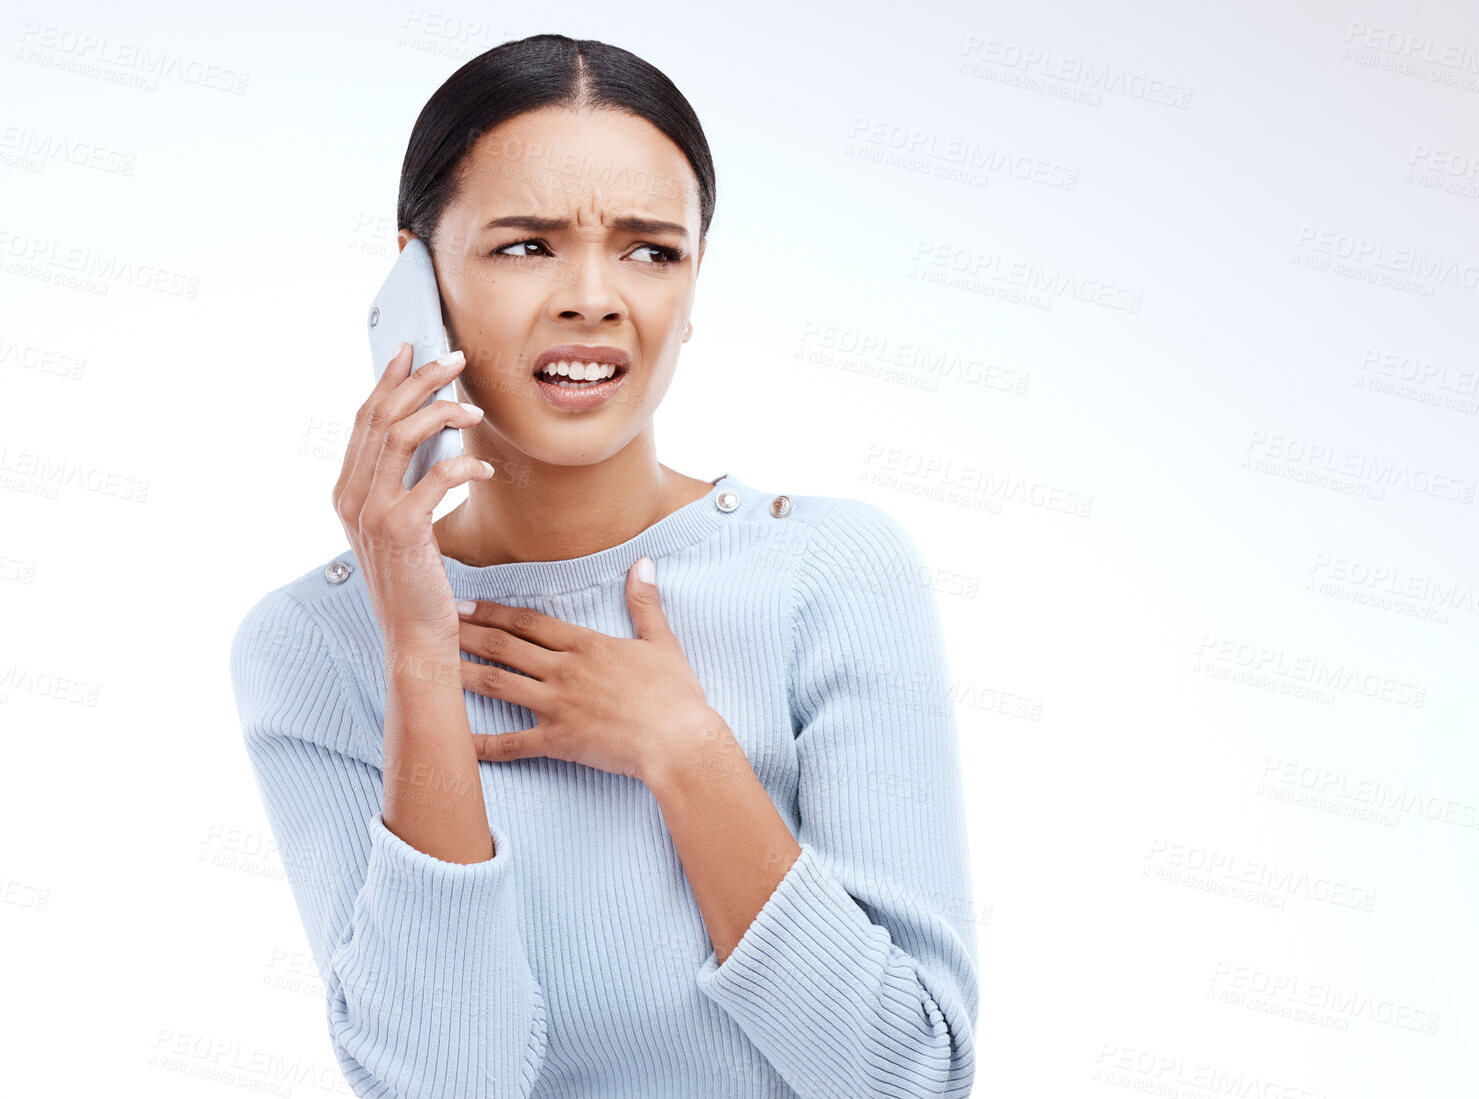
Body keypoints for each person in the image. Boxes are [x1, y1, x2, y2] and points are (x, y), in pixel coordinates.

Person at [228, 33, 978, 1099]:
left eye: (648, 249)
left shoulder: (831, 574)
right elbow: (445, 1085)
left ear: (693, 279)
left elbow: (903, 1077)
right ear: (415, 275)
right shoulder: (312, 646)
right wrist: (416, 654)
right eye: (525, 246)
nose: (592, 296)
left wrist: (683, 747)